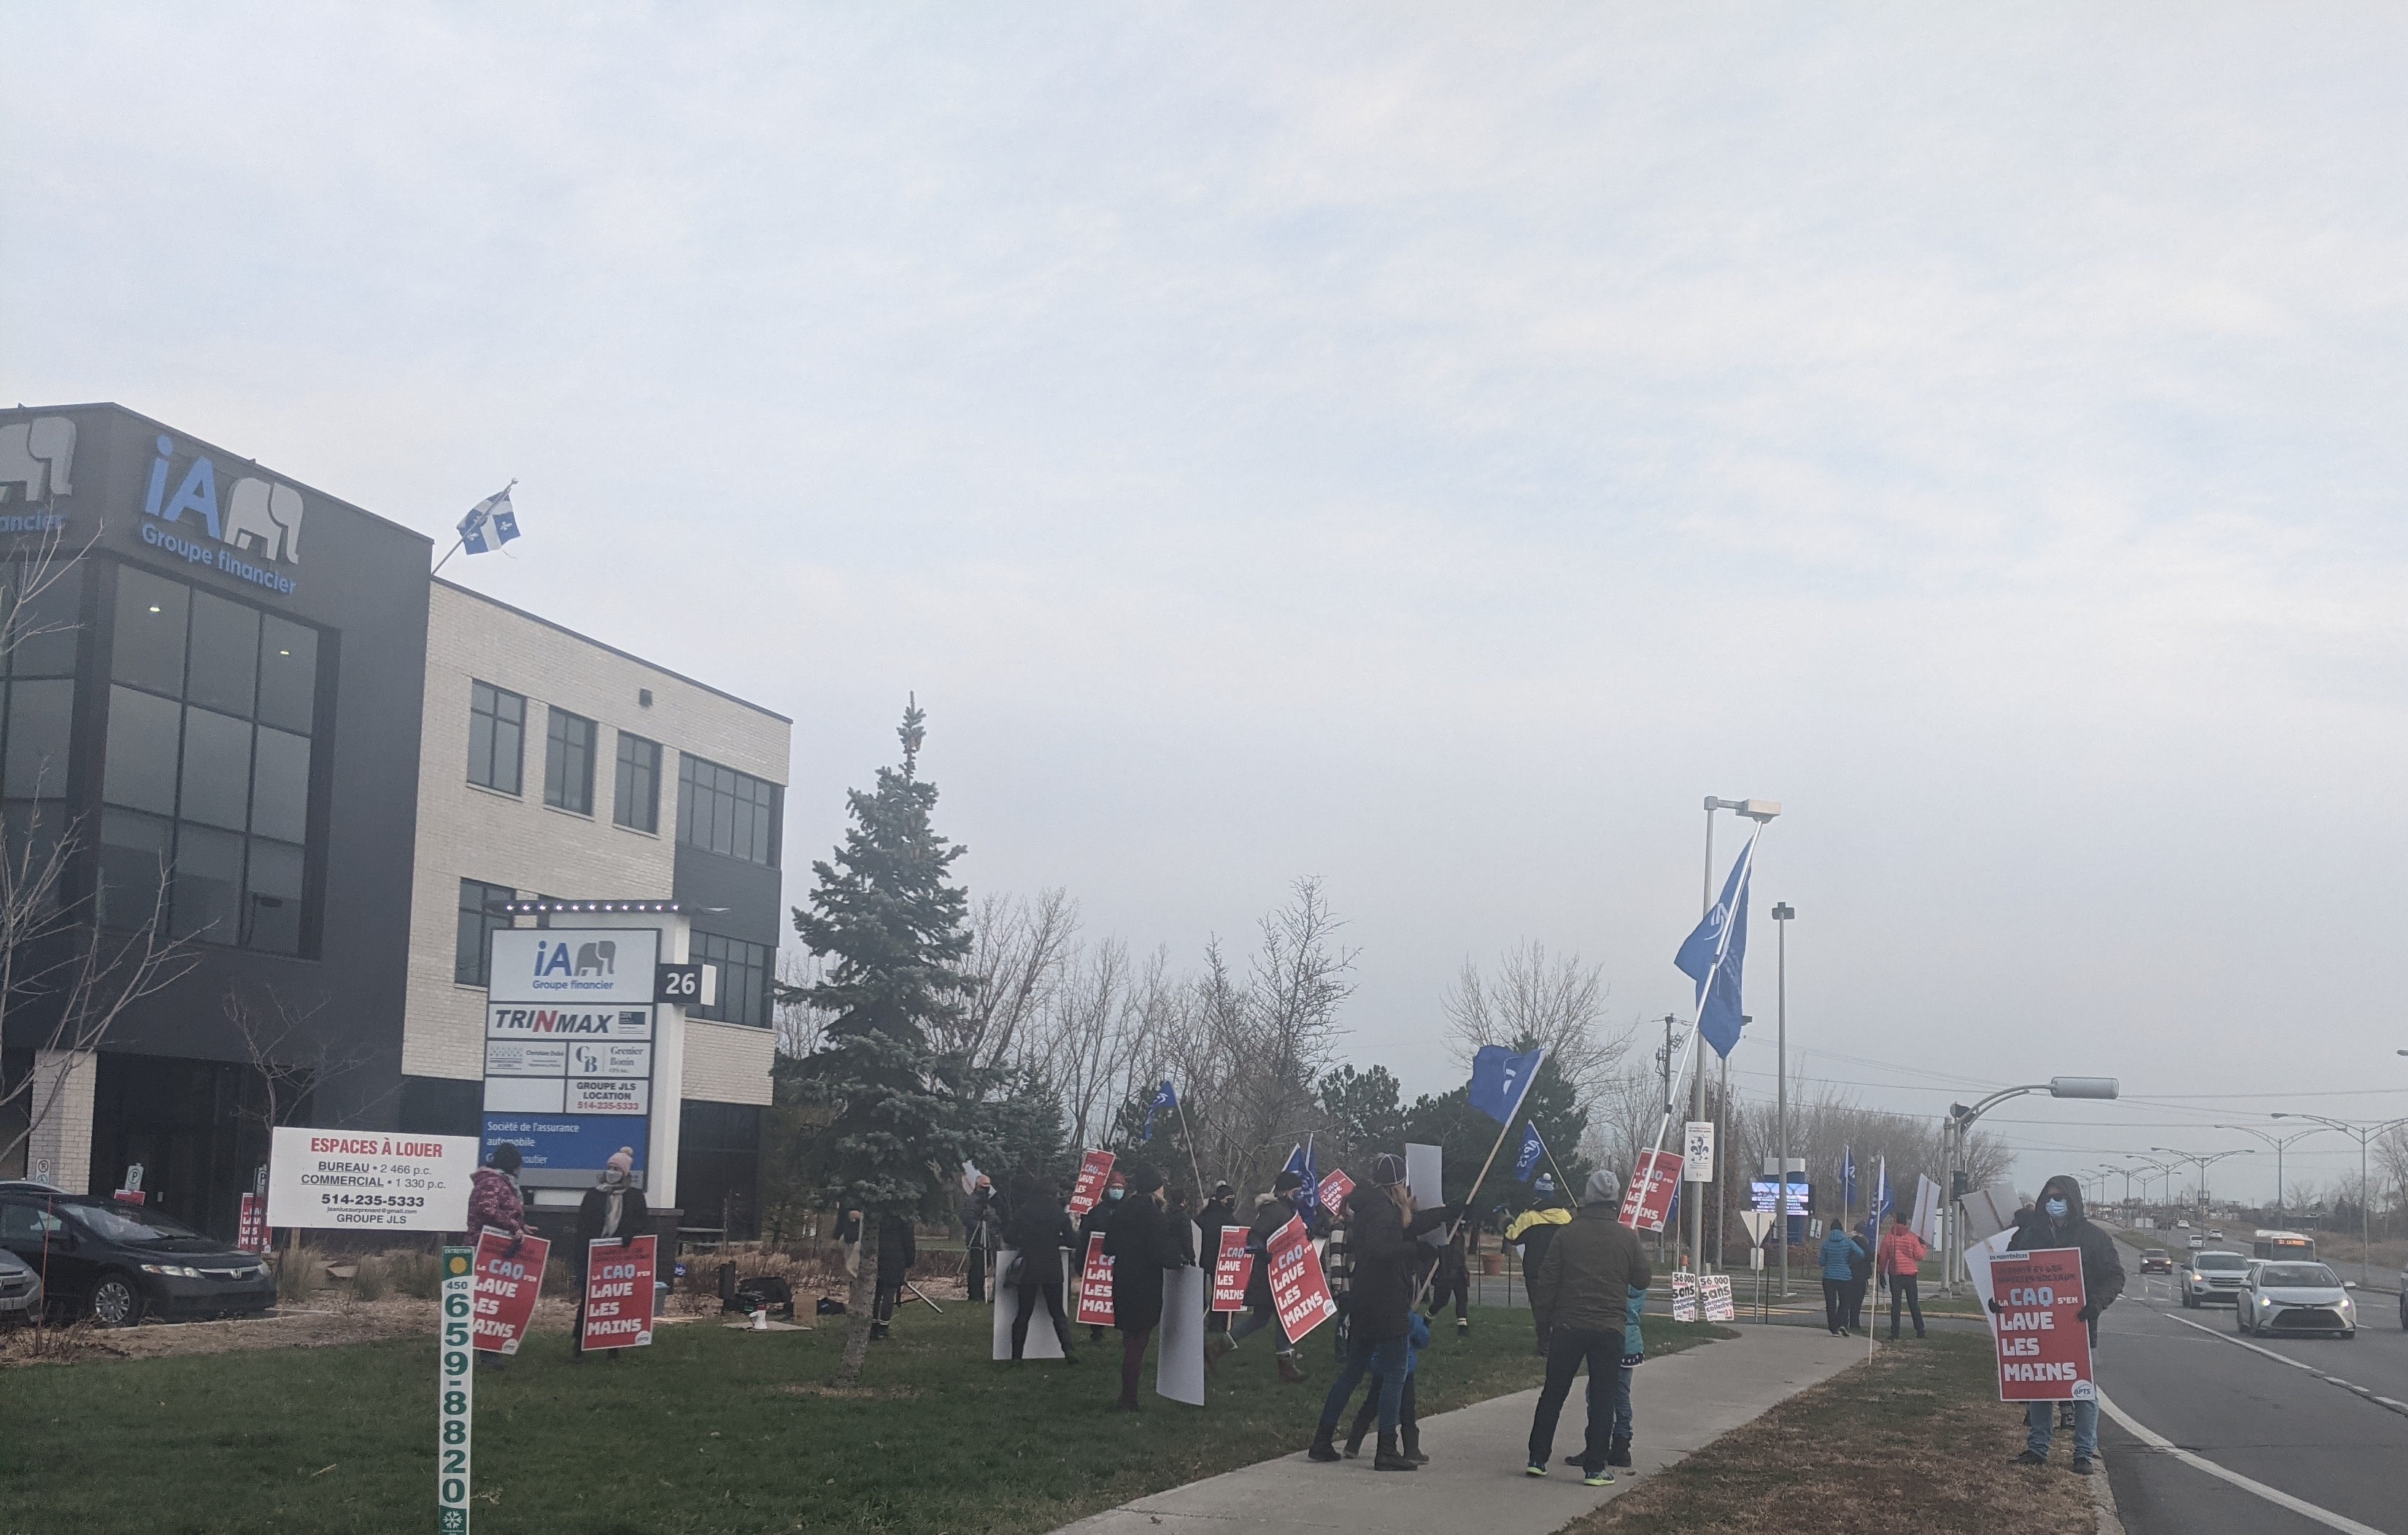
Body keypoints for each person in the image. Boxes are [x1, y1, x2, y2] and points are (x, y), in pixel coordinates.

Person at [1308, 1154, 1454, 1471]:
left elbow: (1407, 1226)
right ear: (1397, 1185)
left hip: (1363, 1300)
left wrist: (1449, 1212)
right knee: (1395, 1375)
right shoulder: (1383, 1212)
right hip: (1386, 1302)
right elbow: (1379, 1249)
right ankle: (1386, 1449)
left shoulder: (1370, 1207)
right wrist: (1416, 1250)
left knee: (1352, 1373)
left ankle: (1322, 1440)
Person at [1523, 1169, 1651, 1486]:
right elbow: (1642, 1279)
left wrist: (1544, 1326)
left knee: (1554, 1392)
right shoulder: (1627, 1237)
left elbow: (1547, 1282)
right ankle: (1595, 1468)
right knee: (1604, 1397)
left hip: (1568, 1325)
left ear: (1588, 1197)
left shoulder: (1566, 1234)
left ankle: (1538, 1459)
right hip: (1609, 1328)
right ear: (1614, 1199)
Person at [1999, 1174, 2125, 1475]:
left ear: (2073, 1201)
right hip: (2038, 1325)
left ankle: (2083, 1453)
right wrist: (2001, 1301)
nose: (2054, 1203)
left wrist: (2094, 1304)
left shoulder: (2094, 1238)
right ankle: (2037, 1448)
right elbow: (2009, 1273)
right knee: (2040, 1388)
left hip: (2078, 1326)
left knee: (2084, 1392)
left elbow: (2115, 1276)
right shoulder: (2030, 1235)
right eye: (2050, 1197)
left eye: (2061, 1198)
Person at [1103, 1164, 1195, 1411]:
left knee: (1130, 1340)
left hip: (1122, 1280)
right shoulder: (1155, 1217)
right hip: (1145, 1285)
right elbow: (1162, 1254)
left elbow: (1108, 1248)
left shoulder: (1121, 1212)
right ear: (1155, 1189)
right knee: (1137, 1344)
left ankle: (1127, 1394)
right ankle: (1128, 1399)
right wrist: (1179, 1260)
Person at [1222, 1170, 1321, 1383]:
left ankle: (1215, 1349)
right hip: (1270, 1276)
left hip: (1278, 1274)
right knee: (1281, 1319)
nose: (1300, 1194)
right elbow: (1256, 1235)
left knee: (1260, 1320)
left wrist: (1307, 1236)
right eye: (1297, 1190)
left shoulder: (1288, 1212)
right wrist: (1261, 1251)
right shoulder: (1275, 1211)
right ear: (1286, 1192)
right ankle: (1286, 1366)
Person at [573, 1147, 649, 1361]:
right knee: (589, 1301)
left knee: (616, 1302)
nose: (612, 1172)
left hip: (620, 1258)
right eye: (610, 1167)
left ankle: (613, 1347)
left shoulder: (635, 1197)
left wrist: (629, 1234)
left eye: (617, 1169)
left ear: (625, 1173)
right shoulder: (593, 1195)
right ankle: (579, 1345)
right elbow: (583, 1226)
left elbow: (642, 1223)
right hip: (594, 1255)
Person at [1000, 1176, 1079, 1362]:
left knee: (1023, 1312)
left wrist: (1025, 1241)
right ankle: (1068, 1351)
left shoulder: (1024, 1210)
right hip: (1052, 1265)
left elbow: (1009, 1236)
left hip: (1029, 1265)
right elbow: (1072, 1241)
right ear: (1054, 1192)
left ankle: (1017, 1356)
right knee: (1057, 1312)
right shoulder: (1058, 1212)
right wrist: (1055, 1240)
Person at [467, 1142, 527, 1371]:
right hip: (484, 1248)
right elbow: (487, 1209)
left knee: (493, 1300)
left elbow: (498, 1210)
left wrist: (522, 1226)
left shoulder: (497, 1182)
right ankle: (485, 1354)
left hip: (495, 1248)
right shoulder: (493, 1182)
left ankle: (488, 1351)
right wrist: (513, 1226)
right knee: (486, 1301)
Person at [1345, 1309, 1431, 1461]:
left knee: (1371, 1405)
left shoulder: (1376, 1317)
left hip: (1380, 1366)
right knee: (1407, 1409)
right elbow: (1423, 1340)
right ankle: (1411, 1449)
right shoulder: (1409, 1318)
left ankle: (1353, 1443)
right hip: (1405, 1369)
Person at [1506, 1177, 1572, 1356]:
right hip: (1561, 1270)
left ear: (1537, 1193)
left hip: (1535, 1270)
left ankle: (1544, 1346)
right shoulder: (1565, 1216)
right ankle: (1560, 1344)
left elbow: (1513, 1237)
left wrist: (1507, 1222)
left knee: (1540, 1308)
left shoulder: (1529, 1217)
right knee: (1559, 1307)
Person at [1078, 1172, 1126, 1344]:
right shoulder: (1096, 1212)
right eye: (1114, 1188)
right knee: (1098, 1295)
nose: (1117, 1191)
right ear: (1107, 1189)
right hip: (1098, 1262)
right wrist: (1081, 1262)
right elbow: (1084, 1238)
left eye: (1120, 1188)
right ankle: (1096, 1330)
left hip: (1122, 1260)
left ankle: (1123, 1326)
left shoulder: (1128, 1211)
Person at [1878, 1210, 1929, 1340]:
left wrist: (1881, 1273)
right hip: (1911, 1274)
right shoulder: (1912, 1237)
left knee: (1896, 1305)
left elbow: (1883, 1257)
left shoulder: (1889, 1238)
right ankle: (1920, 1330)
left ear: (1895, 1222)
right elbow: (1919, 1256)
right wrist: (1923, 1246)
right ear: (1906, 1223)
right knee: (1913, 1304)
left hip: (1895, 1274)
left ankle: (1895, 1333)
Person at [1197, 1181, 1239, 1336]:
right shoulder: (1226, 1218)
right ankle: (1218, 1323)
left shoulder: (1204, 1214)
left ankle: (1201, 1317)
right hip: (1220, 1260)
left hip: (1202, 1259)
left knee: (1202, 1292)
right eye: (1230, 1198)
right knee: (1220, 1292)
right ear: (1223, 1200)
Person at [871, 1213, 917, 1340]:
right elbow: (909, 1241)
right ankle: (884, 1327)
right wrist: (910, 1261)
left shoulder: (876, 1214)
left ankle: (873, 1325)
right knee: (889, 1294)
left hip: (876, 1254)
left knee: (875, 1294)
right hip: (896, 1258)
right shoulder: (904, 1217)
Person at [1818, 1219, 1865, 1337]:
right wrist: (1850, 1261)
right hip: (1845, 1276)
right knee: (1845, 1302)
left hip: (1829, 1277)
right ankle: (1840, 1323)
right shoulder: (1848, 1242)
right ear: (1842, 1229)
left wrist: (1829, 1262)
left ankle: (1833, 1328)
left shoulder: (1826, 1244)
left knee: (1831, 1303)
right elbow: (1861, 1254)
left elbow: (1821, 1262)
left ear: (1831, 1230)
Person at [1425, 1221, 1472, 1336]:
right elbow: (1441, 1253)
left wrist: (1464, 1269)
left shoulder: (1460, 1236)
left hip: (1459, 1273)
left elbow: (1460, 1255)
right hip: (1445, 1274)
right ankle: (1426, 1320)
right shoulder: (1445, 1234)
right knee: (1441, 1302)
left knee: (1462, 1299)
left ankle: (1463, 1327)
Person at [963, 1175, 996, 1303]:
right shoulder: (971, 1200)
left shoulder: (991, 1201)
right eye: (984, 1185)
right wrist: (981, 1227)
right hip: (976, 1239)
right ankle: (975, 1294)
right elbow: (967, 1218)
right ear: (977, 1186)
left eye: (988, 1185)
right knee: (977, 1266)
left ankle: (983, 1294)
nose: (986, 1188)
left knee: (987, 1265)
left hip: (990, 1238)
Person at [1844, 1213, 1876, 1332]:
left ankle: (1844, 1322)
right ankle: (1855, 1324)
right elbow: (1869, 1255)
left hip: (1848, 1273)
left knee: (1847, 1300)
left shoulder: (1847, 1238)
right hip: (1860, 1274)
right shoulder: (1860, 1241)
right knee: (1857, 1301)